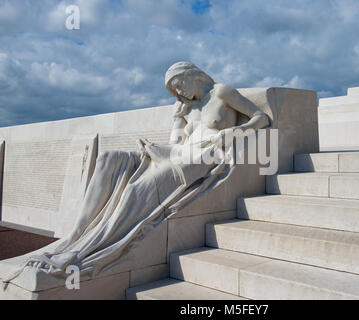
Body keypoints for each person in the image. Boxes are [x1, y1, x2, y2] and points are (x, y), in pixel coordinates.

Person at [1, 62, 269, 285]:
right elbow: (174, 144)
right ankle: (75, 237)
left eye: (179, 85)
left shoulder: (221, 92)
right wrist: (172, 126)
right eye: (173, 90)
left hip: (203, 158)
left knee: (134, 189)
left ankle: (90, 247)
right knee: (109, 160)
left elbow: (261, 118)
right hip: (177, 155)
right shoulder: (188, 109)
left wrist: (236, 132)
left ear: (192, 75)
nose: (178, 92)